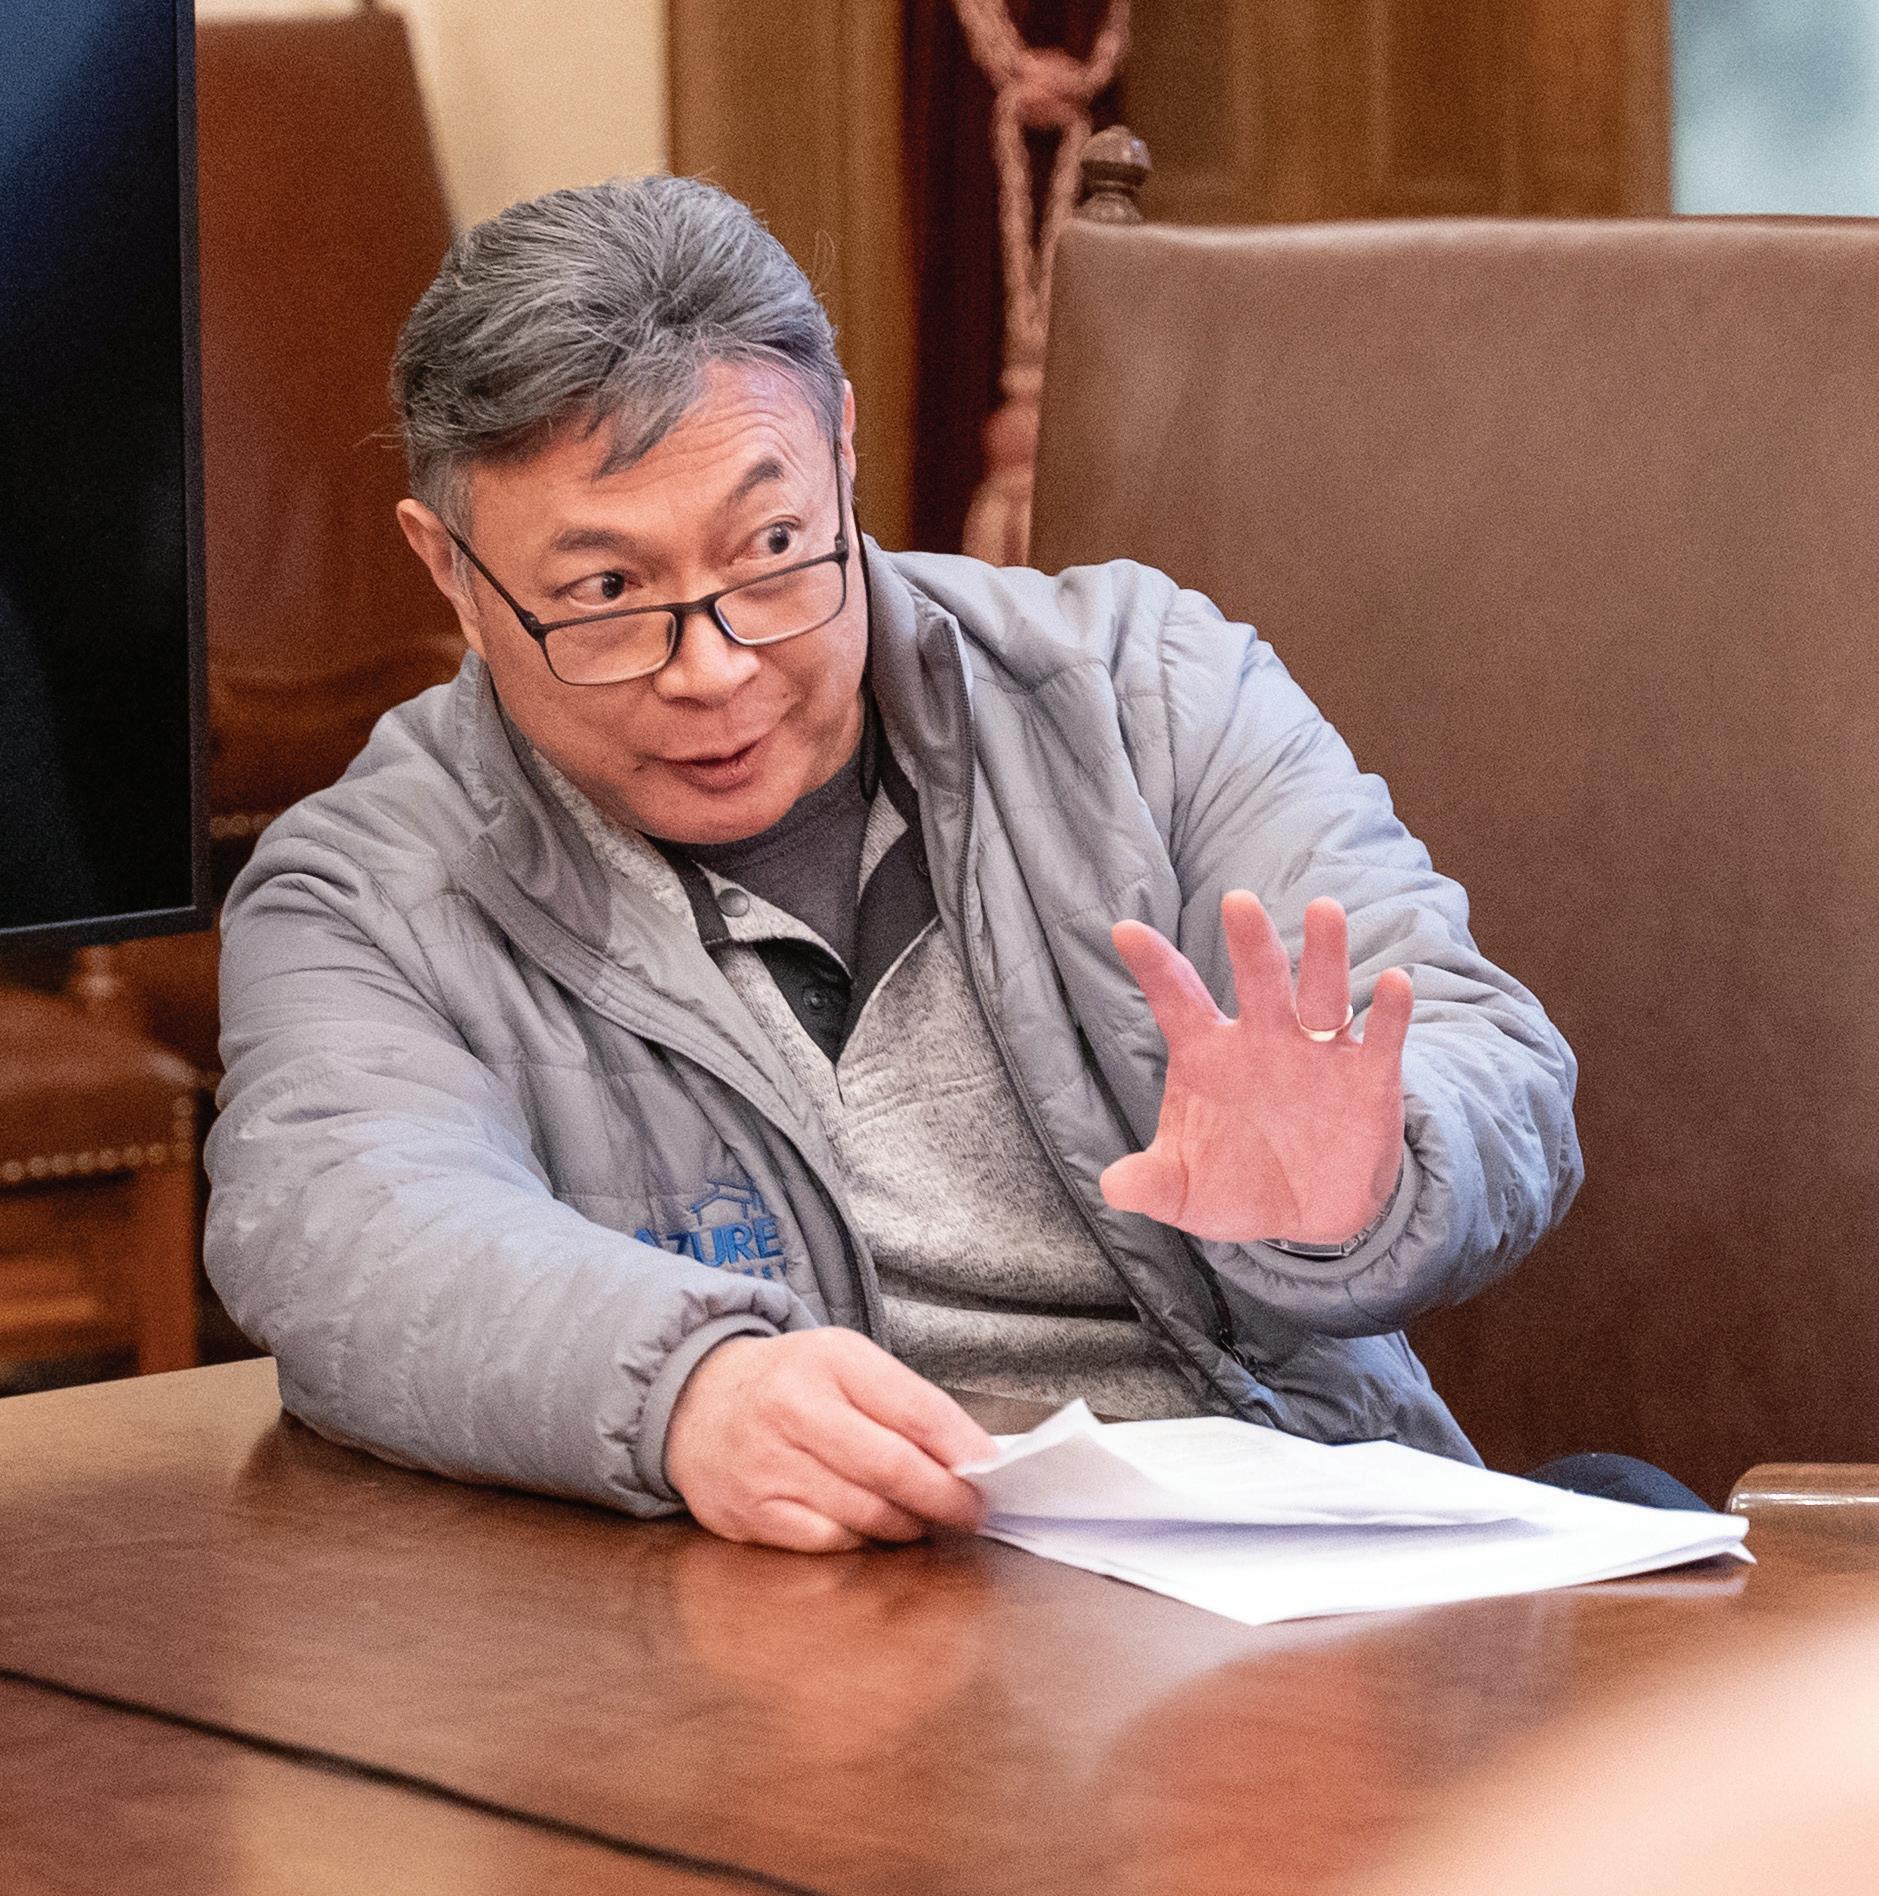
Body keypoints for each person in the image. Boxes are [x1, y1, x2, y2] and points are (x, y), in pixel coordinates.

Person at [205, 175, 1583, 1553]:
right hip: (812, 1614)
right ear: (450, 571)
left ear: (844, 451)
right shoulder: (366, 893)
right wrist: (688, 1388)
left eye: (774, 550)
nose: (715, 669)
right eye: (607, 594)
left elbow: (1475, 1045)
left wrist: (1373, 1166)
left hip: (1291, 1568)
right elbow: (337, 1223)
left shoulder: (1146, 693)